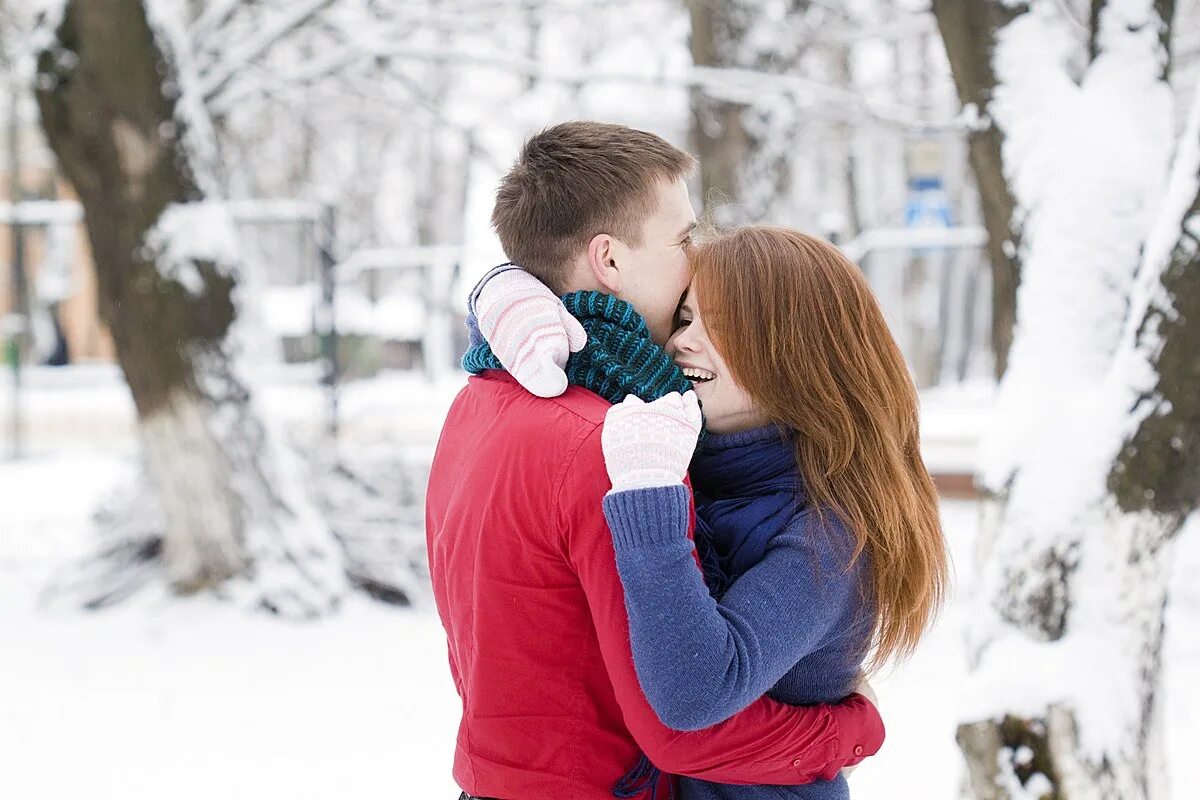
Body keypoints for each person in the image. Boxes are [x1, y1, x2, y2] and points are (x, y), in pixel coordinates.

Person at [426, 121, 884, 800]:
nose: (695, 254)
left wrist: (501, 289)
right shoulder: (618, 446)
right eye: (681, 238)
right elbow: (682, 727)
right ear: (608, 260)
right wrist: (854, 731)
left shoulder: (482, 397)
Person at [473, 226, 949, 799]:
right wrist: (500, 294)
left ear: (796, 351)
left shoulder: (829, 535)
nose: (680, 342)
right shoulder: (698, 449)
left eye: (718, 327)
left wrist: (648, 496)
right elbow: (567, 346)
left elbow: (692, 693)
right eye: (684, 318)